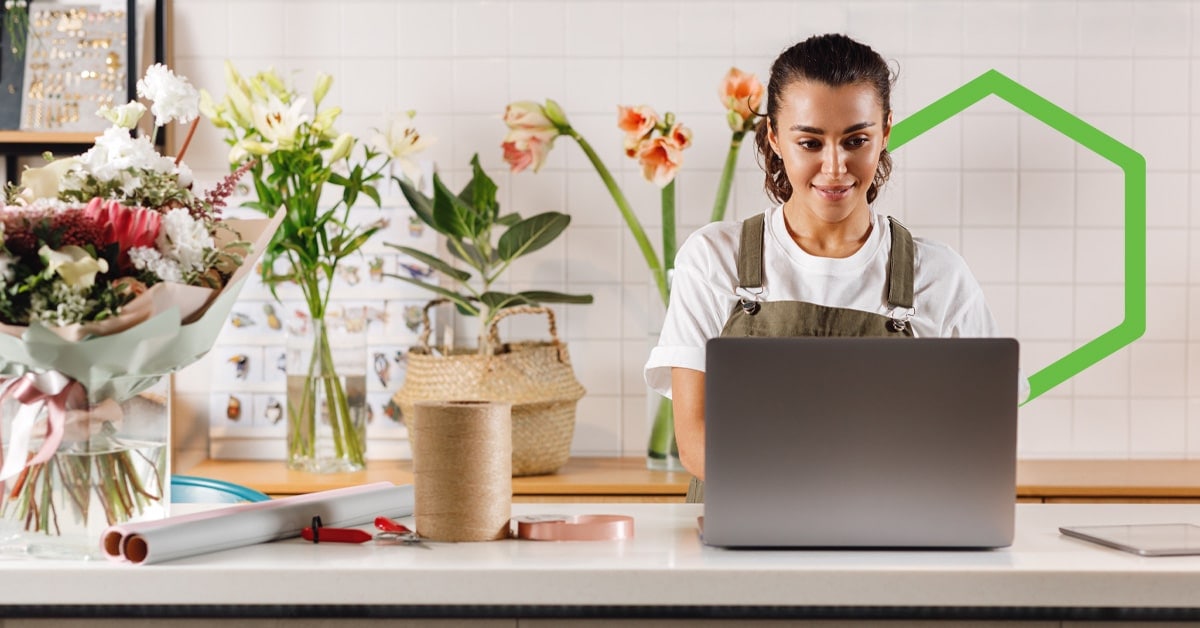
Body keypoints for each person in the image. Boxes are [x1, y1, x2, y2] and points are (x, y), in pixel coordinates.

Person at [643, 33, 1023, 503]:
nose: (835, 167)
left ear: (886, 132)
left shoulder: (939, 274)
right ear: (775, 138)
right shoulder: (713, 258)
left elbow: (981, 434)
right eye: (810, 142)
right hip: (741, 539)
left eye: (856, 140)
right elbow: (695, 439)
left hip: (890, 536)